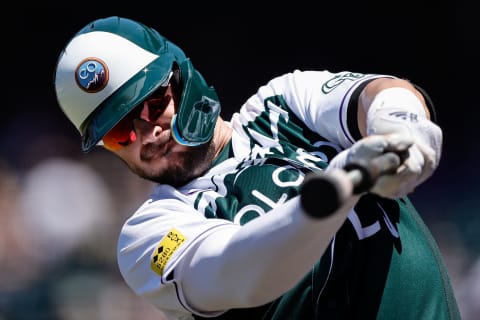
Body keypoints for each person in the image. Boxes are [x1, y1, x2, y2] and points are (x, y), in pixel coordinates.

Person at [53, 16, 461, 320]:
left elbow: (376, 94)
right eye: (120, 132)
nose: (147, 133)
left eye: (153, 104)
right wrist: (333, 190)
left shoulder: (279, 108)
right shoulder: (147, 235)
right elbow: (240, 272)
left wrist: (401, 125)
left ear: (183, 76)